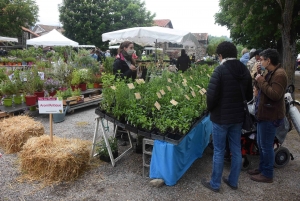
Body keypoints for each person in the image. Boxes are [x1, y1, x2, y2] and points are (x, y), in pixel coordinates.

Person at [202, 41, 253, 192]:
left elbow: (211, 97)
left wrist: (211, 109)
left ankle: (215, 184)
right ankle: (233, 181)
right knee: (236, 149)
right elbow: (249, 96)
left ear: (221, 55)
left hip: (221, 117)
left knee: (219, 150)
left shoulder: (220, 70)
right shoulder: (244, 70)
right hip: (238, 117)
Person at [248, 48, 288, 183]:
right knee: (261, 144)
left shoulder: (280, 74)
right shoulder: (271, 72)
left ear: (268, 60)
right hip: (263, 113)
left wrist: (261, 80)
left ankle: (267, 174)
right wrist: (259, 74)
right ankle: (262, 168)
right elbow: (260, 87)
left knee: (266, 145)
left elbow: (275, 95)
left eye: (262, 60)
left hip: (270, 115)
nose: (260, 61)